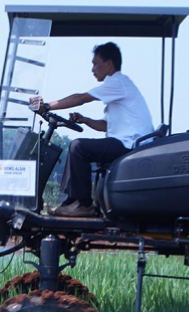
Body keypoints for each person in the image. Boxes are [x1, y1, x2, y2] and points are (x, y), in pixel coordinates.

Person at [30, 42, 153, 217]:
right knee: (78, 147)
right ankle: (73, 202)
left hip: (130, 146)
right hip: (126, 143)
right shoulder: (119, 87)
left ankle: (83, 204)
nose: (93, 69)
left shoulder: (117, 82)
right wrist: (85, 120)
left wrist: (48, 106)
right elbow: (106, 126)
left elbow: (80, 98)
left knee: (78, 147)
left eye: (95, 64)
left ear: (109, 64)